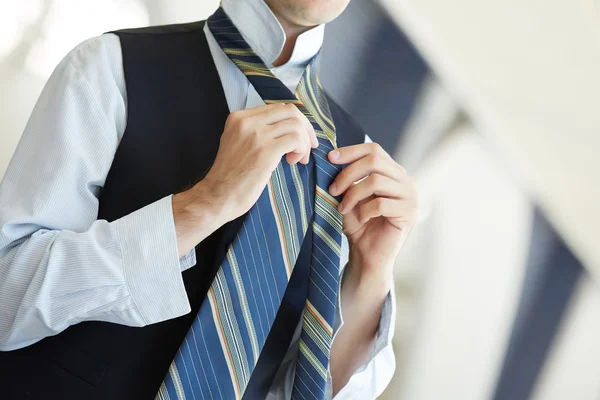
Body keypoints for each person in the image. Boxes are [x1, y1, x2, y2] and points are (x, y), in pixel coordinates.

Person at [0, 0, 418, 398]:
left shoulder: (354, 159)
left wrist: (372, 274)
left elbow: (301, 389)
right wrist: (203, 205)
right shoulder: (107, 68)